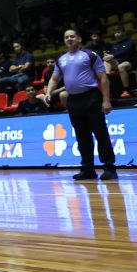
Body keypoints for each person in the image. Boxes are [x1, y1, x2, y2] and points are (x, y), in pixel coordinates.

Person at [43, 29, 117, 181]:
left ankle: (109, 167)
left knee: (100, 133)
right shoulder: (61, 59)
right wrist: (48, 92)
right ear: (64, 41)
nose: (69, 39)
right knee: (82, 135)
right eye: (66, 37)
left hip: (91, 97)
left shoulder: (90, 55)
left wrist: (106, 100)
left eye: (72, 36)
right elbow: (54, 79)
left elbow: (103, 78)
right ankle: (88, 169)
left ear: (79, 39)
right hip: (74, 101)